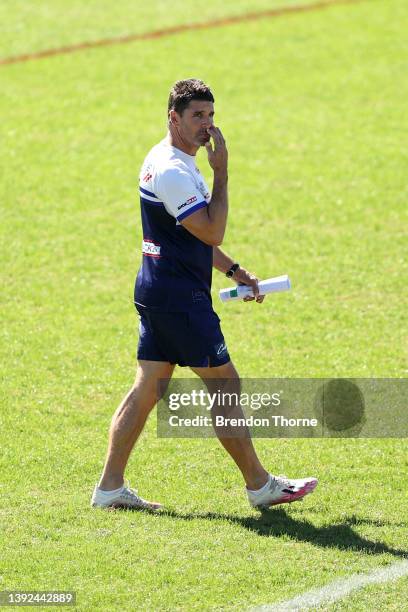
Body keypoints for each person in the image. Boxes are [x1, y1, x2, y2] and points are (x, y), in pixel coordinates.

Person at [91, 79, 317, 511]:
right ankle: (259, 484)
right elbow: (211, 228)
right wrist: (223, 173)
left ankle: (109, 488)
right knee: (226, 384)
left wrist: (233, 269)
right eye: (197, 116)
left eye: (211, 116)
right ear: (173, 117)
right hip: (180, 299)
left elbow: (194, 236)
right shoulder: (176, 171)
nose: (207, 126)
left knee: (148, 387)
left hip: (158, 290)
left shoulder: (167, 158)